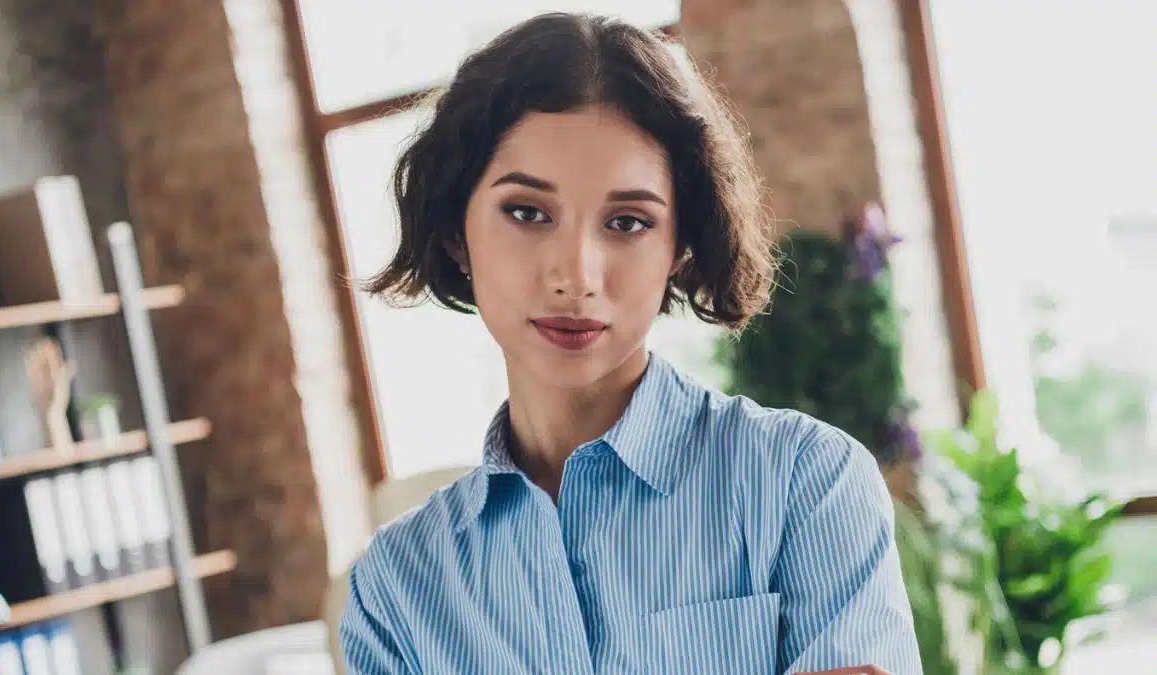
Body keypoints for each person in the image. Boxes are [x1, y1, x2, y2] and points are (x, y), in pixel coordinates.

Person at [341, 12, 922, 675]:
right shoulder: (397, 590)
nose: (576, 276)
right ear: (454, 232)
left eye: (627, 222)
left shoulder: (806, 484)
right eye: (528, 213)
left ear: (678, 247)